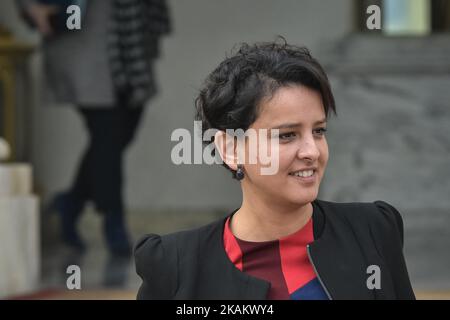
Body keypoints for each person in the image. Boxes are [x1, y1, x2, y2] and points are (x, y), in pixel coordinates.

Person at [134, 39, 415, 299]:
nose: (312, 151)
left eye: (318, 131)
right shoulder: (175, 265)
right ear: (231, 148)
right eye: (287, 135)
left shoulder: (373, 230)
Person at [17, 0, 171, 256]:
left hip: (131, 44)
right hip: (83, 40)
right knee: (107, 134)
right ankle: (113, 221)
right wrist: (30, 6)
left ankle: (71, 202)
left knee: (118, 133)